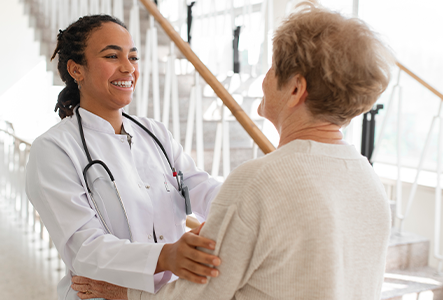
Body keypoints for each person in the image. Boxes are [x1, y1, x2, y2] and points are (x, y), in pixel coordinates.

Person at [71, 4, 393, 300]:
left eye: (272, 68)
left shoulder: (257, 182)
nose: (264, 79)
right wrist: (232, 225)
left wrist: (123, 293)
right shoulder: (369, 183)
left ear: (295, 89)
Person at [25, 15, 223, 300]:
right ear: (76, 69)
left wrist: (241, 205)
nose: (128, 67)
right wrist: (166, 256)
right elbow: (85, 249)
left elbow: (201, 187)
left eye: (133, 57)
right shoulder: (54, 149)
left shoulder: (155, 133)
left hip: (171, 294)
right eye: (111, 56)